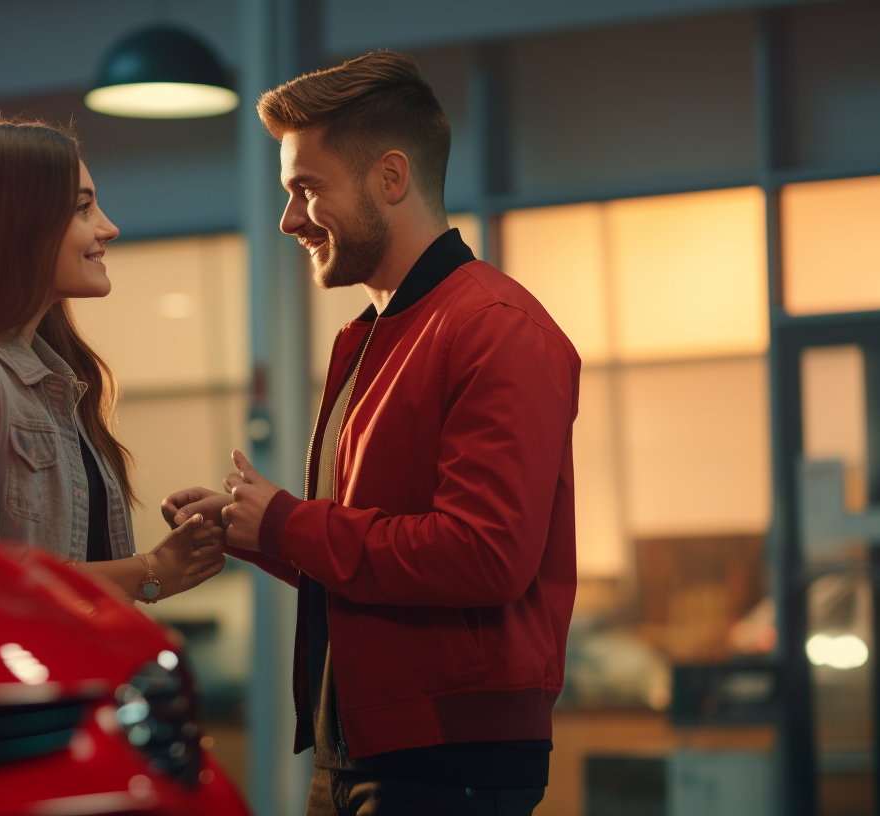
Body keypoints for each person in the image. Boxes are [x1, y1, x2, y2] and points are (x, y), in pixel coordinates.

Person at [165, 52, 580, 814]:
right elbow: (377, 556)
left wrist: (290, 522)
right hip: (367, 742)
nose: (289, 219)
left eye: (306, 189)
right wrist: (260, 535)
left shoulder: (495, 329)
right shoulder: (374, 336)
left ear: (391, 178)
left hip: (447, 756)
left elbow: (485, 555)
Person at [0, 117, 223, 604]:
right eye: (82, 208)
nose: (109, 228)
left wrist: (167, 559)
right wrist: (148, 571)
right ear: (15, 223)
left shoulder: (53, 378)